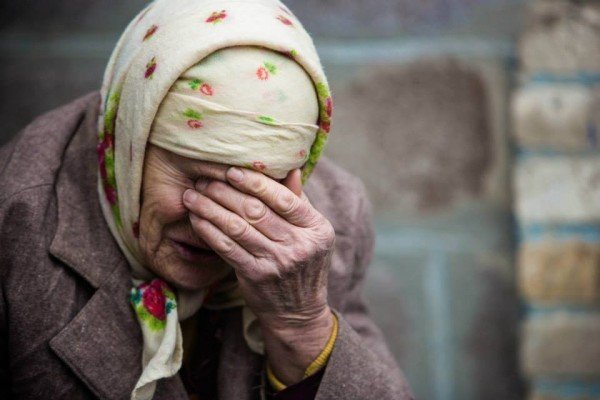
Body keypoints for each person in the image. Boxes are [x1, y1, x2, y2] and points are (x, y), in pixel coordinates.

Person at [0, 0, 414, 399]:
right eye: (197, 179)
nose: (218, 224)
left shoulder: (329, 223)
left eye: (257, 188)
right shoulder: (16, 228)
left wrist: (301, 326)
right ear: (129, 145)